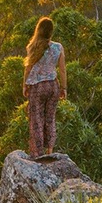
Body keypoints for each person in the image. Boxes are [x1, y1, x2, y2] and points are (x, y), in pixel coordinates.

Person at [22, 16, 66, 160]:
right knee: (50, 117)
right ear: (51, 31)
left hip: (37, 86)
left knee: (36, 119)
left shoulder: (33, 47)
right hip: (53, 85)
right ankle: (50, 151)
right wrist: (63, 88)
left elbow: (28, 69)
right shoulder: (58, 47)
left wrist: (25, 85)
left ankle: (38, 154)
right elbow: (63, 70)